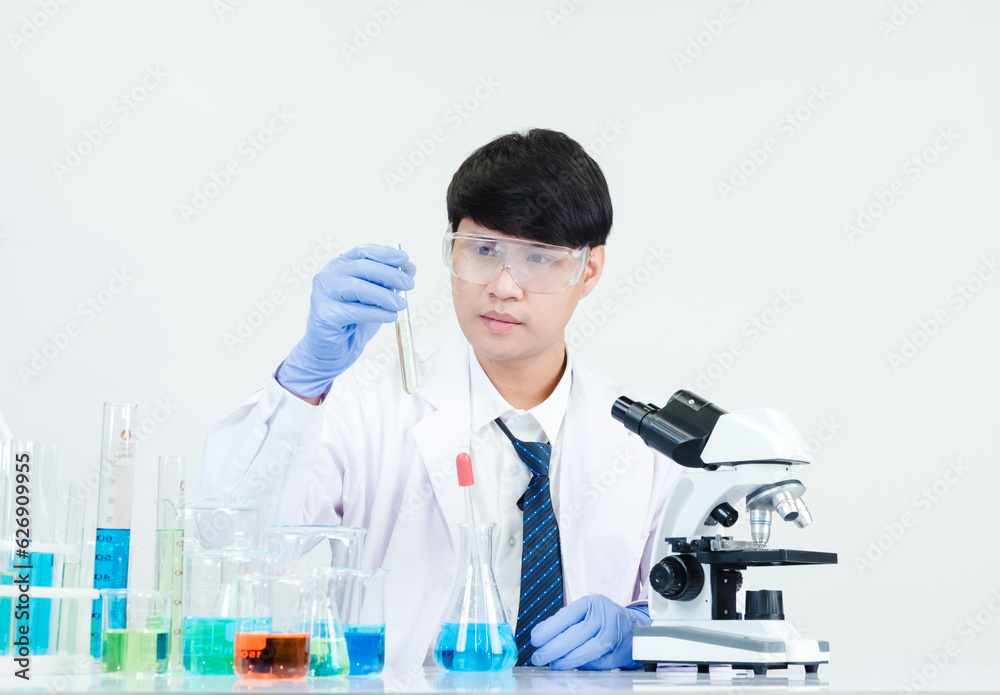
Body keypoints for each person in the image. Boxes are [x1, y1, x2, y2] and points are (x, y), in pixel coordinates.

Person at [197, 128, 680, 670]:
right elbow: (231, 544)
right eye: (483, 250)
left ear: (588, 270)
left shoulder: (650, 443)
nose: (503, 286)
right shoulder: (367, 409)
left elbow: (709, 616)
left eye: (538, 258)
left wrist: (646, 634)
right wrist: (302, 382)